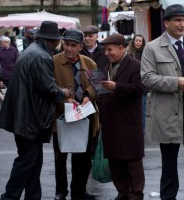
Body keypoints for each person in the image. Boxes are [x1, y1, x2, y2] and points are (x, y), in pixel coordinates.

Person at [140, 4, 184, 200]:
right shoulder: (152, 47)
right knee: (169, 164)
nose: (182, 24)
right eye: (178, 20)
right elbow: (146, 78)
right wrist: (175, 83)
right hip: (168, 114)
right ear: (166, 23)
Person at [0, 21, 71, 200]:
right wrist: (64, 92)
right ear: (52, 41)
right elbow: (48, 88)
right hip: (29, 119)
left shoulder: (33, 51)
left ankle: (33, 196)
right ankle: (9, 196)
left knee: (33, 162)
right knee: (27, 161)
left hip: (24, 117)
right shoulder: (41, 56)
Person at [52, 29, 99, 200]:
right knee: (60, 157)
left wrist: (88, 95)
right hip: (61, 117)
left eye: (73, 45)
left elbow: (98, 86)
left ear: (80, 46)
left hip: (85, 117)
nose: (69, 48)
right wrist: (63, 101)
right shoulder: (53, 62)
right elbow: (49, 89)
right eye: (66, 44)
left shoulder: (90, 63)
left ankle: (79, 191)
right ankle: (61, 191)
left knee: (84, 158)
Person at [99, 33, 145, 200]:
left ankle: (135, 194)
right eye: (105, 50)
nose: (107, 54)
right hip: (111, 123)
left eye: (109, 50)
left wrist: (116, 87)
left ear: (121, 48)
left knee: (131, 162)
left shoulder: (135, 65)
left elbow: (139, 89)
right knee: (115, 161)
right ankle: (123, 192)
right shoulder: (107, 67)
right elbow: (105, 92)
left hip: (128, 122)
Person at [126, 34, 149, 133]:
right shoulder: (128, 53)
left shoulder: (147, 53)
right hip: (130, 85)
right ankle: (131, 129)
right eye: (136, 40)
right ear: (133, 41)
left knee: (142, 109)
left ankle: (141, 131)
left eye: (140, 41)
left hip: (142, 85)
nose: (138, 42)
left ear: (143, 43)